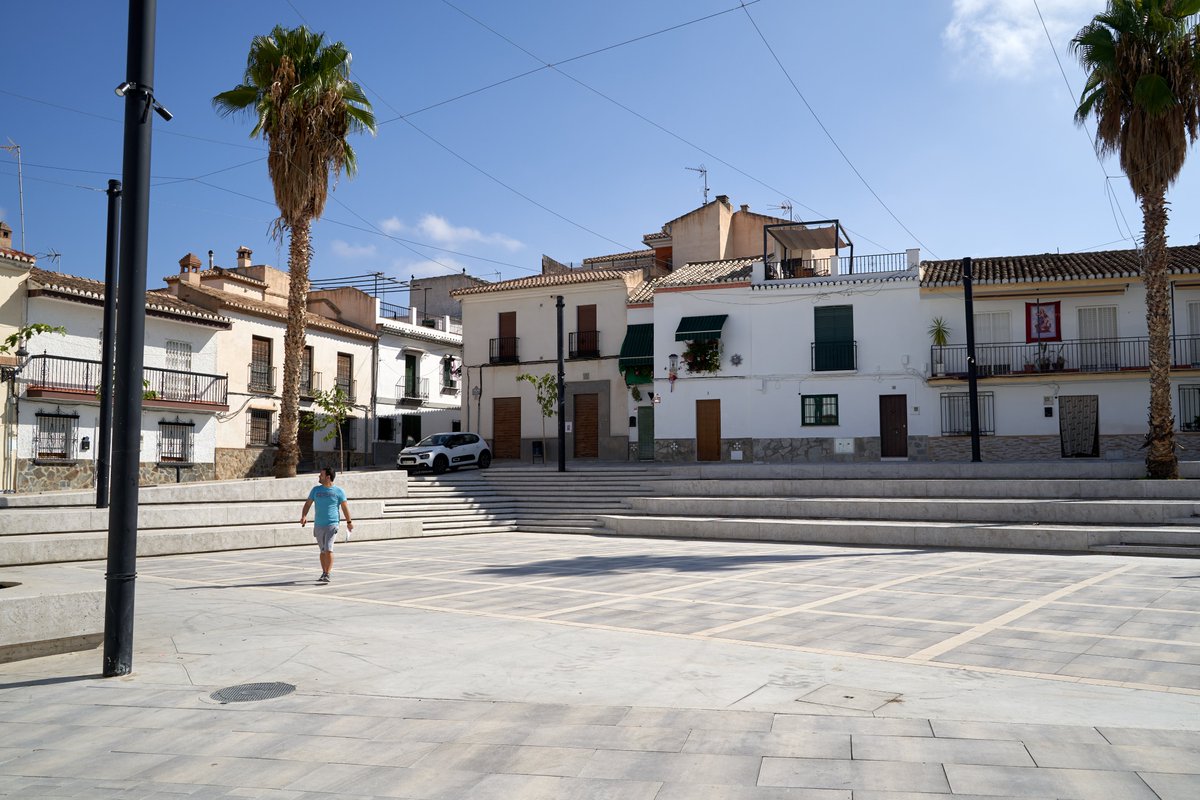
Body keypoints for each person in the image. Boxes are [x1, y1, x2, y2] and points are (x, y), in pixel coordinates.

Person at [300, 466, 353, 583]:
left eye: (321, 475)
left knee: (328, 548)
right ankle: (324, 572)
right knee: (322, 550)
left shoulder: (339, 491)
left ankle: (327, 573)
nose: (319, 476)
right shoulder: (315, 490)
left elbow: (345, 508)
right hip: (318, 524)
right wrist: (304, 516)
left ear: (328, 477)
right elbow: (308, 504)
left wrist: (349, 522)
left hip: (332, 524)